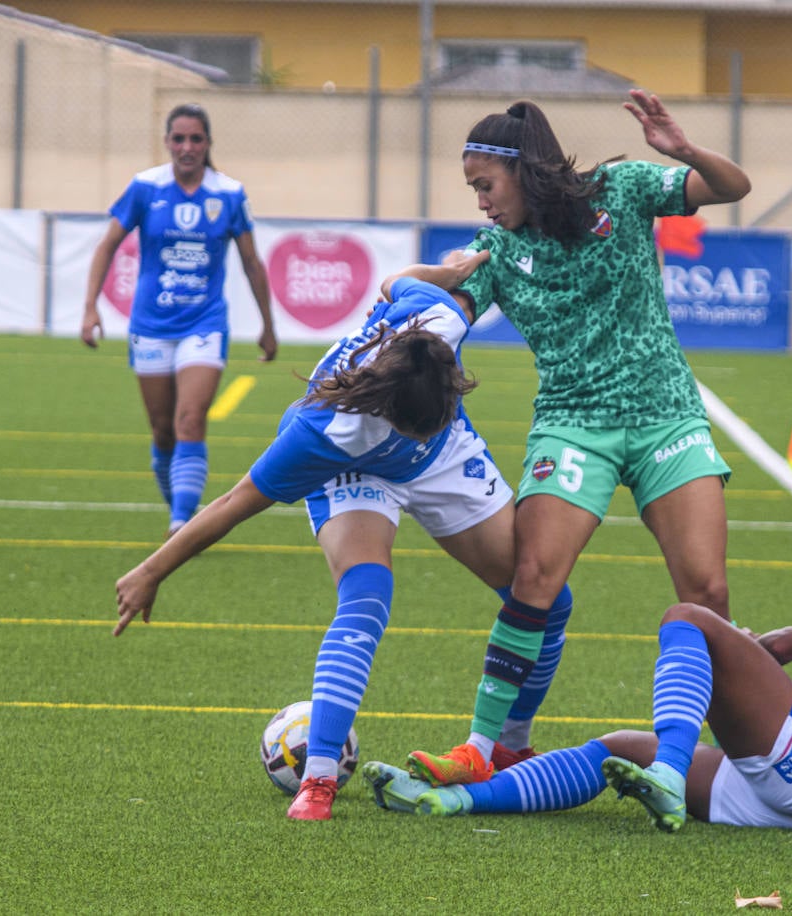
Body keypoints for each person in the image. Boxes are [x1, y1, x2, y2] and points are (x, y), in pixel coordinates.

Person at [112, 253, 565, 822]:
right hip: (358, 467)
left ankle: (507, 747)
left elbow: (395, 282)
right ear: (387, 407)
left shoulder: (439, 322)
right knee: (368, 593)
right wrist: (151, 570)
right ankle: (318, 779)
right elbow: (231, 505)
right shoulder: (323, 433)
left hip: (444, 454)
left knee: (542, 593)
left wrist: (442, 274)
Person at [403, 90, 752, 788]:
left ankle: (747, 756)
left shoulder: (621, 191)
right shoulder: (494, 251)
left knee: (707, 593)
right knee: (534, 578)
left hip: (665, 415)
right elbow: (438, 309)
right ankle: (484, 746)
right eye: (473, 190)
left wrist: (682, 150)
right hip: (572, 423)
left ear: (522, 171)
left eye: (485, 187)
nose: (480, 204)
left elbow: (731, 186)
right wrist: (429, 283)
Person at [367, 525, 792, 834]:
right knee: (614, 747)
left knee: (688, 618)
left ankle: (668, 772)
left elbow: (791, 645)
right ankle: (453, 805)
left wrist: (744, 648)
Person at [81, 103, 278, 539]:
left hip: (204, 323)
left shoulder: (228, 193)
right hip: (150, 324)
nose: (187, 147)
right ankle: (180, 508)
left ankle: (181, 523)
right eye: (179, 139)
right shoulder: (145, 188)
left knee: (190, 419)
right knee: (162, 430)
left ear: (207, 144)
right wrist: (91, 307)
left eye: (196, 139)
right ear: (167, 142)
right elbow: (106, 245)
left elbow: (251, 261)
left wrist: (268, 325)